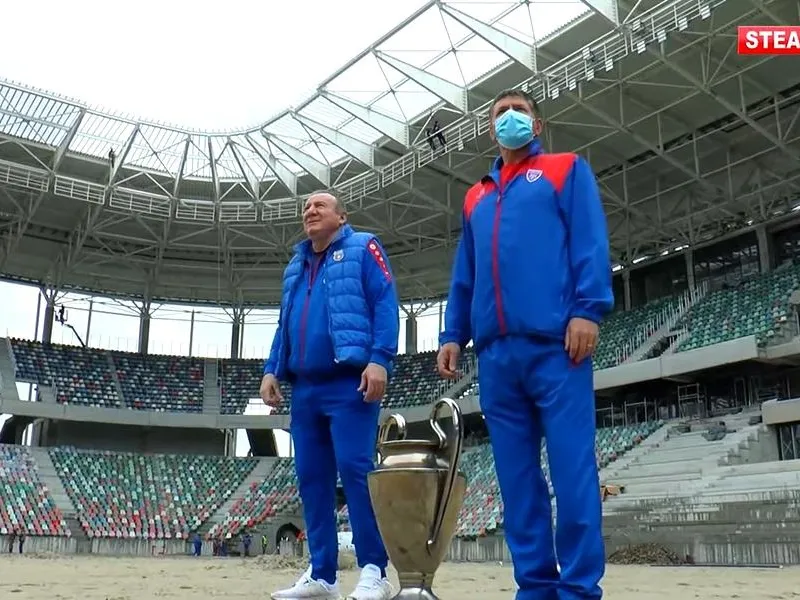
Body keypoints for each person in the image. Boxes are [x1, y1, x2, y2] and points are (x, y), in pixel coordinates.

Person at [437, 88, 613, 600]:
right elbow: (464, 274)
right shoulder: (476, 195)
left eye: (520, 111)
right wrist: (453, 334)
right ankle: (534, 588)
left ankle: (579, 589)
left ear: (536, 126)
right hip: (495, 355)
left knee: (572, 470)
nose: (509, 117)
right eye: (499, 112)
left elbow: (589, 240)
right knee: (516, 482)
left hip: (557, 346)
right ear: (490, 128)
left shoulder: (565, 169)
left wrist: (587, 309)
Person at [261, 191, 399, 600]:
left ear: (342, 216)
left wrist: (380, 360)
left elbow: (385, 304)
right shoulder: (295, 267)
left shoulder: (363, 248)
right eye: (306, 207)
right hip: (305, 388)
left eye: (320, 205)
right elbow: (284, 323)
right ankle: (323, 574)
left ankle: (374, 570)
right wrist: (271, 370)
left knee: (356, 472)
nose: (310, 210)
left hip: (349, 382)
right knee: (312, 480)